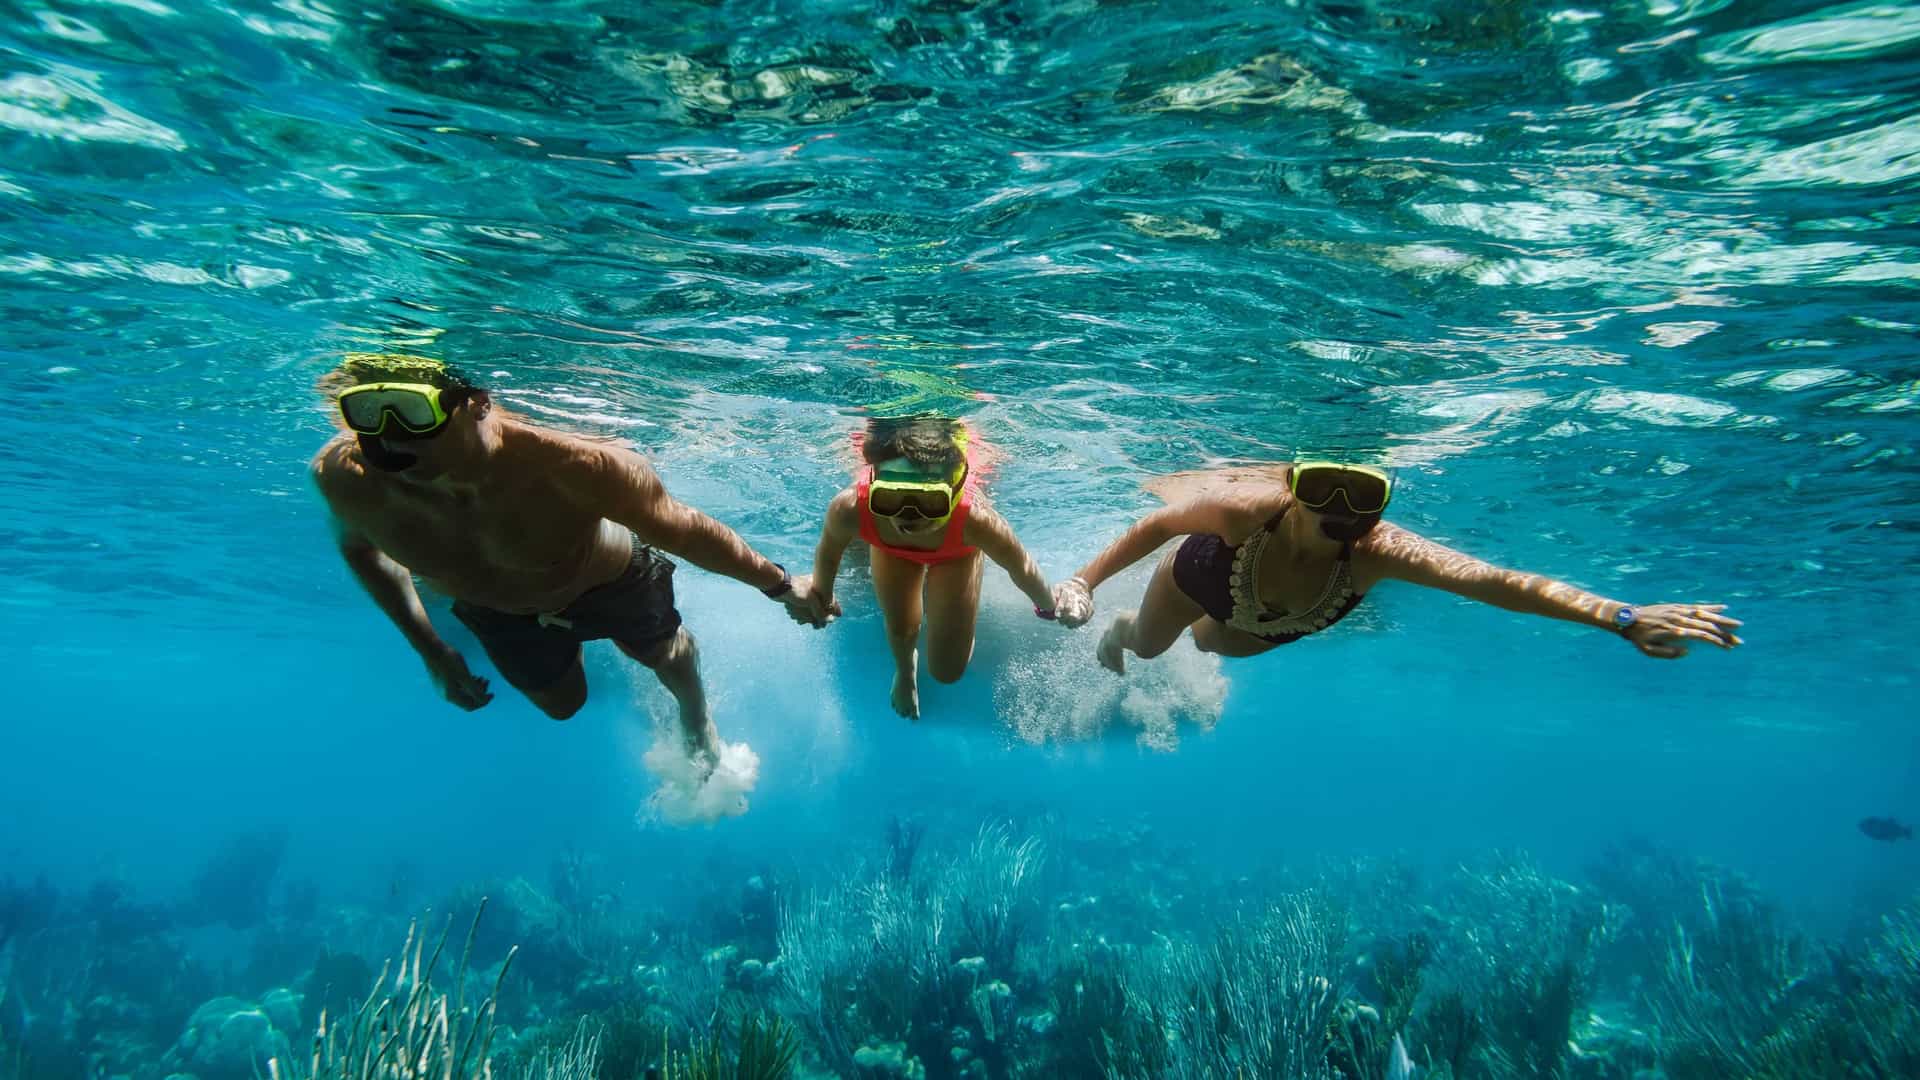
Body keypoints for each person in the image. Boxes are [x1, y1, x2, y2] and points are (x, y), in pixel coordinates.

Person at [310, 354, 835, 767]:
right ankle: (576, 644)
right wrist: (434, 651)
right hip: (497, 612)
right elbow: (361, 551)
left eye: (414, 411)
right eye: (367, 410)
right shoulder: (346, 479)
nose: (386, 437)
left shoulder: (576, 464)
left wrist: (781, 585)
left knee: (666, 657)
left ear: (477, 401)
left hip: (611, 580)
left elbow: (683, 529)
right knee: (563, 708)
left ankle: (696, 717)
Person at [1049, 461, 1742, 669]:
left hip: (1271, 624)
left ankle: (1184, 635)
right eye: (1323, 488)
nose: (1342, 506)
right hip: (1201, 576)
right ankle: (1122, 630)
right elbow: (1157, 523)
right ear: (1291, 490)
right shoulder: (1242, 508)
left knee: (1215, 646)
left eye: (1366, 495)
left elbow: (1493, 582)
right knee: (1149, 648)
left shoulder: (1382, 553)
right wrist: (1082, 580)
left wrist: (1621, 617)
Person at [804, 416, 1061, 720]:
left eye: (929, 503)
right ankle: (905, 671)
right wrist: (822, 595)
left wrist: (1048, 606)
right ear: (874, 487)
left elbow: (1021, 568)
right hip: (891, 551)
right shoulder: (849, 508)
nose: (907, 516)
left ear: (953, 494)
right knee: (901, 629)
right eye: (890, 498)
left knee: (947, 671)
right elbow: (828, 553)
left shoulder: (976, 521)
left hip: (956, 553)